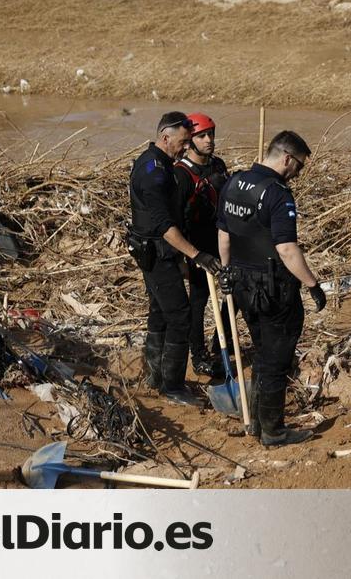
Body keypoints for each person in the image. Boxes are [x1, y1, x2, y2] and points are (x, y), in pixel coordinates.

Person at [217, 130, 328, 446]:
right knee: (276, 359)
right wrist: (313, 285)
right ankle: (274, 431)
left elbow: (224, 235)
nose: (298, 174)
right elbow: (287, 250)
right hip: (273, 288)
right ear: (287, 159)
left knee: (262, 354)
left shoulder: (234, 183)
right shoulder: (278, 194)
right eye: (299, 167)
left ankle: (255, 422)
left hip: (241, 285)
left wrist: (226, 273)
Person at [127, 111, 220, 406]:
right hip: (157, 253)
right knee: (180, 316)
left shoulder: (160, 163)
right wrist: (197, 255)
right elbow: (165, 226)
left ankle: (155, 377)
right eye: (181, 142)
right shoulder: (154, 172)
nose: (184, 148)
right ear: (165, 138)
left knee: (159, 313)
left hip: (156, 252)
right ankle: (173, 386)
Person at [174, 112, 231, 378]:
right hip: (196, 245)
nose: (209, 140)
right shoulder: (181, 174)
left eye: (211, 134)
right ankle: (197, 356)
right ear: (190, 141)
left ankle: (224, 342)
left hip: (221, 238)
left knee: (236, 292)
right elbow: (174, 222)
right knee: (198, 300)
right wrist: (186, 259)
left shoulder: (218, 164)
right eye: (202, 136)